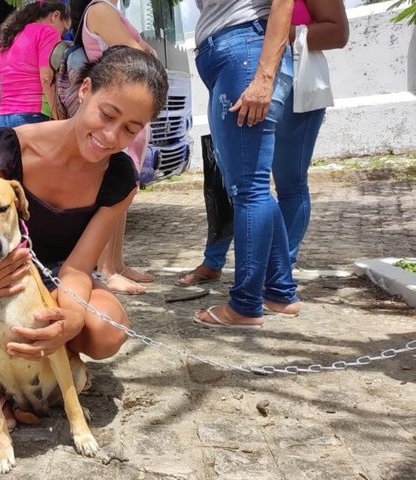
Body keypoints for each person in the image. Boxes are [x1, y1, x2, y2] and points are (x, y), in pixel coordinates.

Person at [0, 46, 168, 434]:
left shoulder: (119, 178)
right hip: (0, 274)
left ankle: (47, 364)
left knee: (107, 330)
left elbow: (77, 267)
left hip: (59, 278)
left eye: (130, 129)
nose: (111, 135)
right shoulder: (8, 149)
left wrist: (69, 321)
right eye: (108, 114)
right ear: (85, 90)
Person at [179, 0, 349, 292]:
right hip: (243, 65)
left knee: (284, 184)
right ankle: (218, 260)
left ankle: (278, 277)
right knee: (231, 180)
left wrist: (276, 33)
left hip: (293, 79)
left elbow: (338, 32)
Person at [188, 0, 299, 329]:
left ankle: (246, 305)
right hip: (235, 56)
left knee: (249, 189)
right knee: (253, 187)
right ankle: (280, 293)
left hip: (246, 54)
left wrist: (264, 76)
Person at [69, 0, 158, 295]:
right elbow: (139, 57)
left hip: (125, 115)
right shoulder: (100, 10)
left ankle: (116, 263)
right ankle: (106, 269)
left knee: (124, 192)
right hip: (118, 111)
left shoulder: (110, 10)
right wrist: (146, 51)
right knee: (113, 192)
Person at [0, 1, 71, 128]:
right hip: (33, 114)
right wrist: (60, 119)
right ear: (55, 16)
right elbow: (46, 78)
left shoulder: (5, 39)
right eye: (65, 29)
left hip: (3, 117)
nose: (62, 34)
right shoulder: (47, 32)